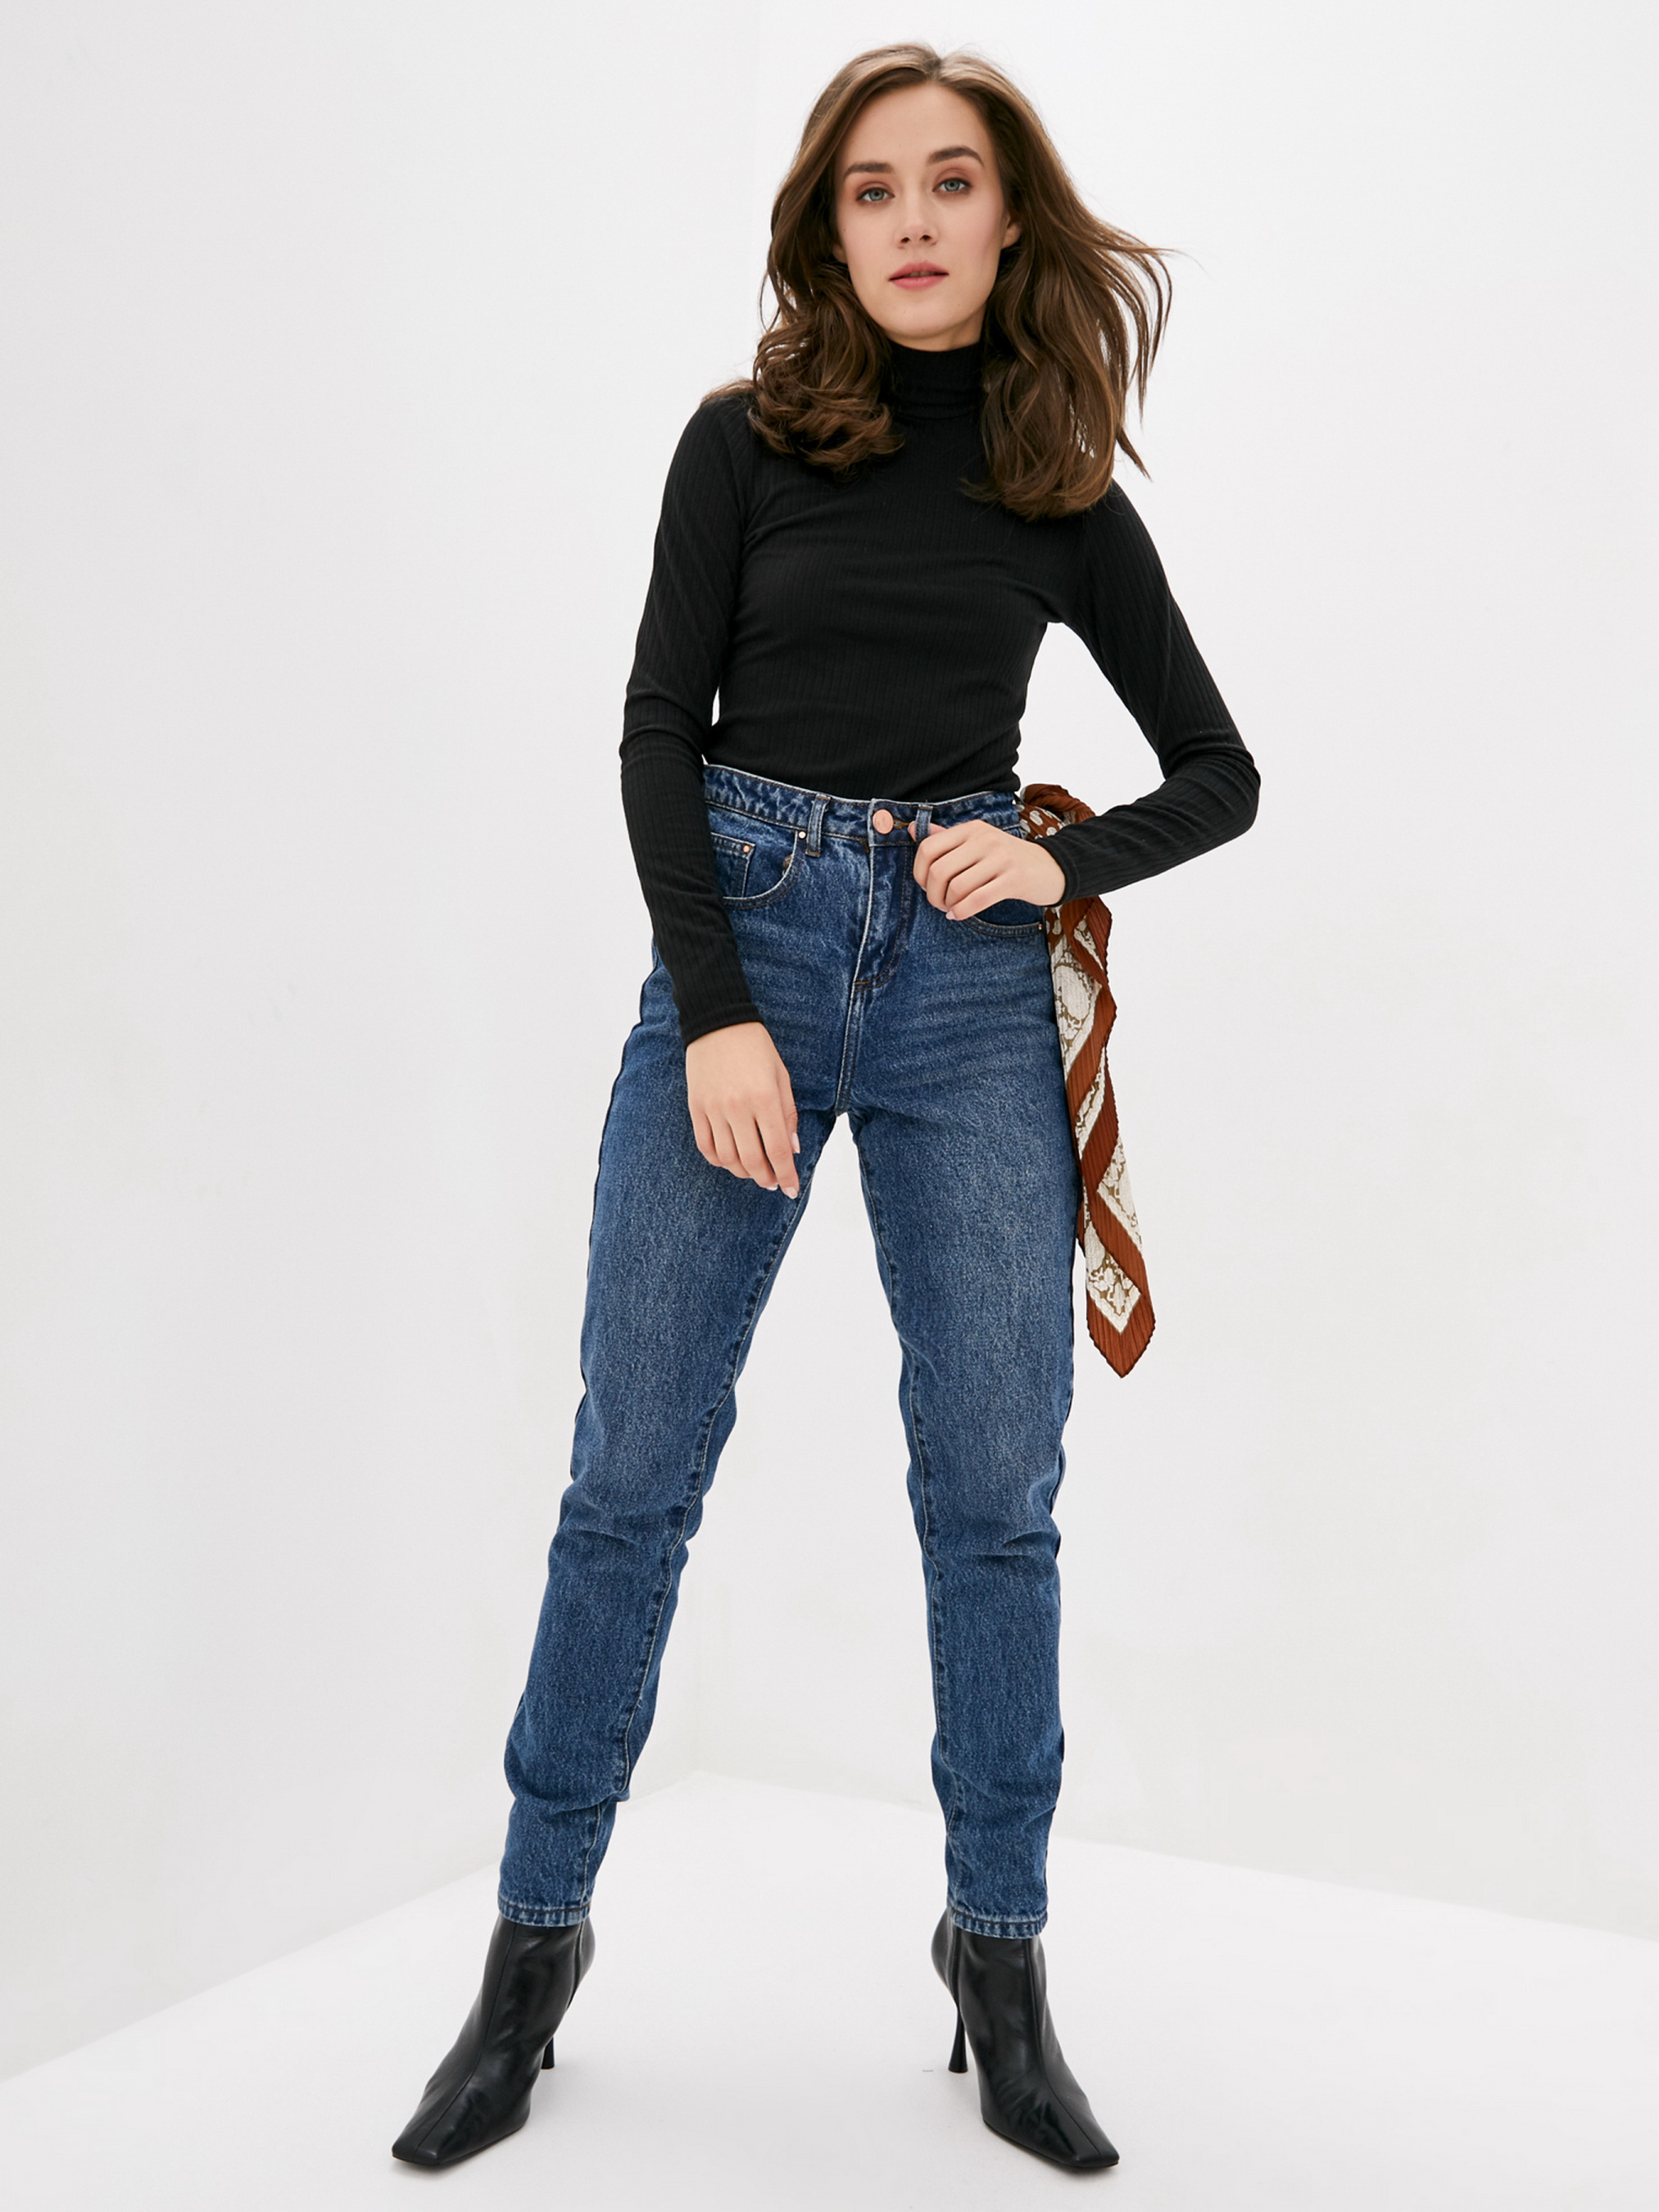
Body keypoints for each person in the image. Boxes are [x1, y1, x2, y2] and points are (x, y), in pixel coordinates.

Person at [392, 41, 1258, 2176]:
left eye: (950, 182)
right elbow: (652, 727)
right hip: (750, 950)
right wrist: (715, 1014)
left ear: (1007, 218)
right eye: (874, 189)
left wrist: (1056, 862)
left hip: (964, 996)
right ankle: (530, 1952)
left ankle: (999, 1960)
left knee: (994, 1499)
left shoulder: (1060, 487)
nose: (914, 220)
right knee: (631, 1475)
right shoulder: (742, 441)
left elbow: (1219, 772)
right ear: (828, 228)